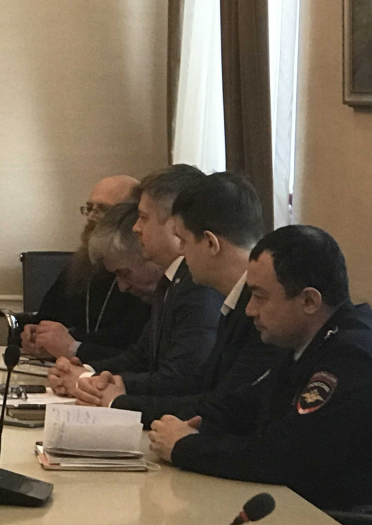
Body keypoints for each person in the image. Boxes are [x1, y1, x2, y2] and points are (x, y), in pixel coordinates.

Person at [149, 225, 372, 512]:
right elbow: (248, 404)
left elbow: (285, 457)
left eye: (260, 296)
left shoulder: (353, 356)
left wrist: (184, 447)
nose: (249, 310)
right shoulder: (305, 342)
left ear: (309, 301)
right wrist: (200, 423)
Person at [75, 173, 287, 423]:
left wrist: (117, 401)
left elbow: (224, 405)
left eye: (184, 241)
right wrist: (117, 386)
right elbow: (205, 388)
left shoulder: (256, 308)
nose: (182, 253)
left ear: (210, 243)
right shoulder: (234, 299)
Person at [48, 164, 222, 397]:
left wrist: (86, 381)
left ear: (176, 225)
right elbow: (140, 357)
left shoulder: (199, 285)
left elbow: (181, 378)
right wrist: (87, 372)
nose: (136, 227)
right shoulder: (173, 280)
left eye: (143, 217)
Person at [21, 175, 151, 361]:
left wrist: (69, 345)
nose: (91, 217)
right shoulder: (79, 267)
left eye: (103, 209)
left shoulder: (145, 280)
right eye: (90, 208)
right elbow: (47, 317)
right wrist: (35, 334)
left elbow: (133, 349)